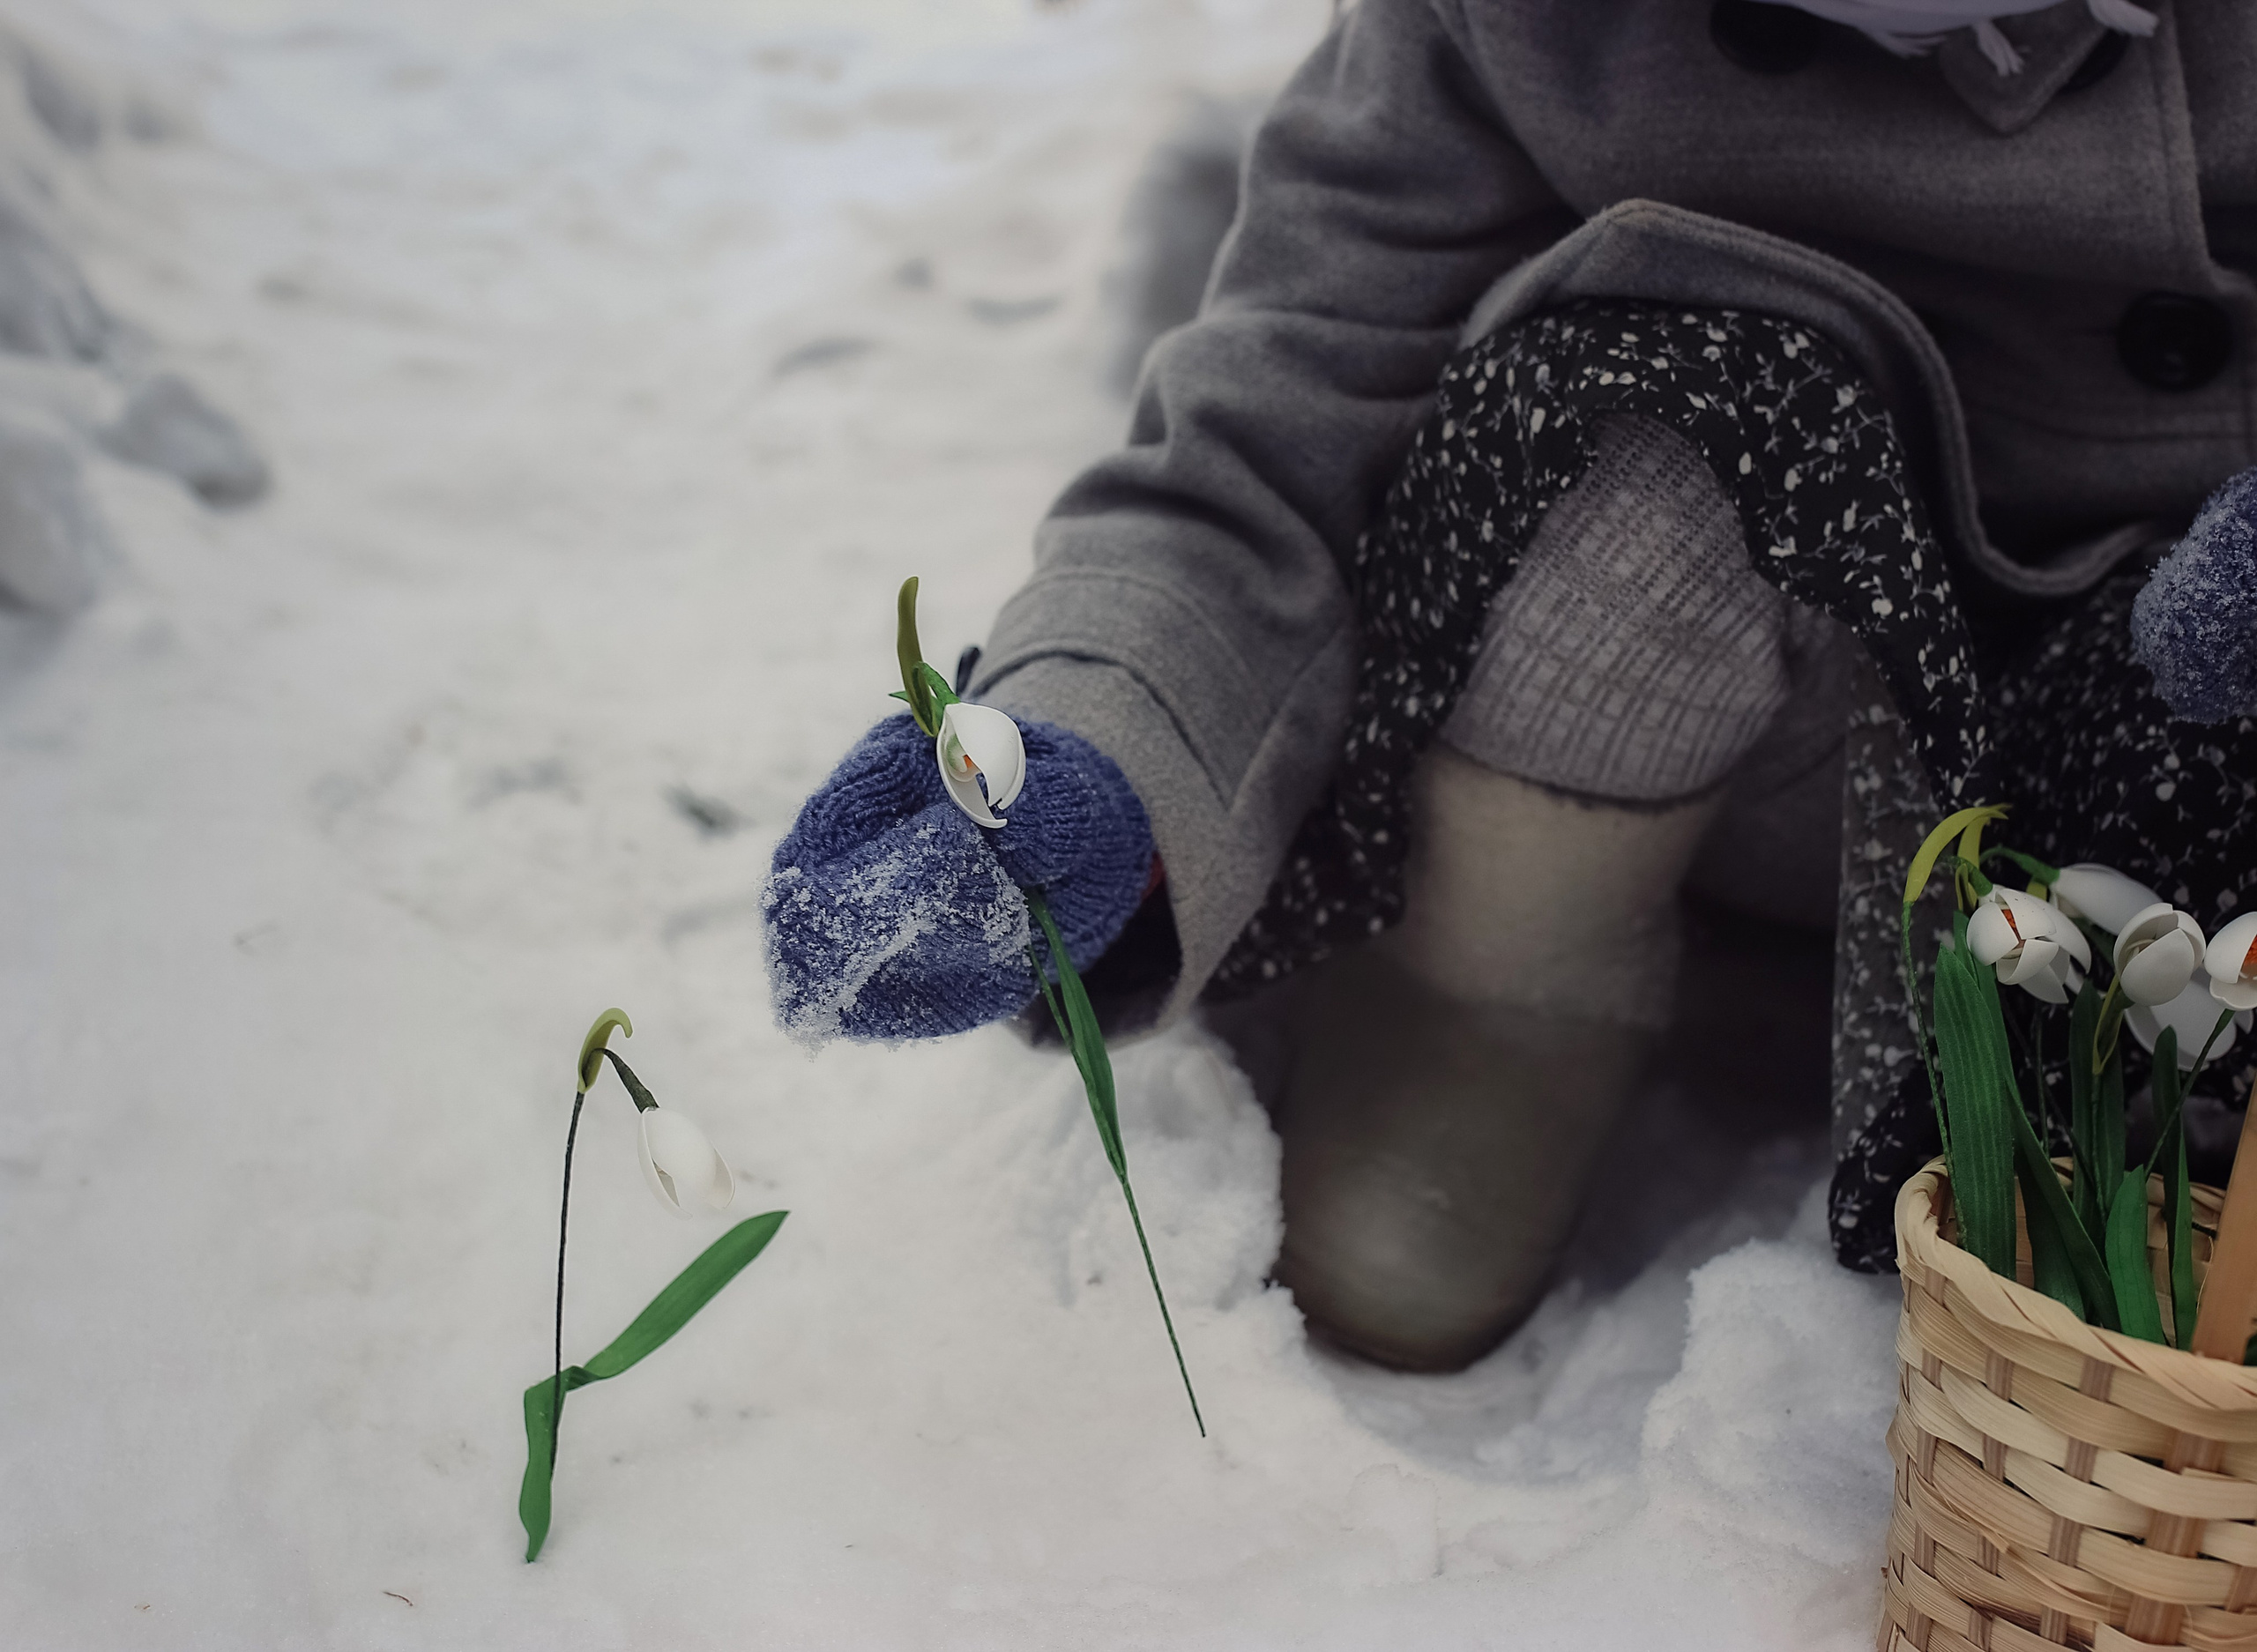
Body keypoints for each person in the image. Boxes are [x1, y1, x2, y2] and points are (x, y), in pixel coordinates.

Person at [764, 0, 2257, 1372]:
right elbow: (1268, 436)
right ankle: (1502, 988)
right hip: (1719, 743)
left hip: (2166, 760)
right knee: (1657, 444)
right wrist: (1092, 758)